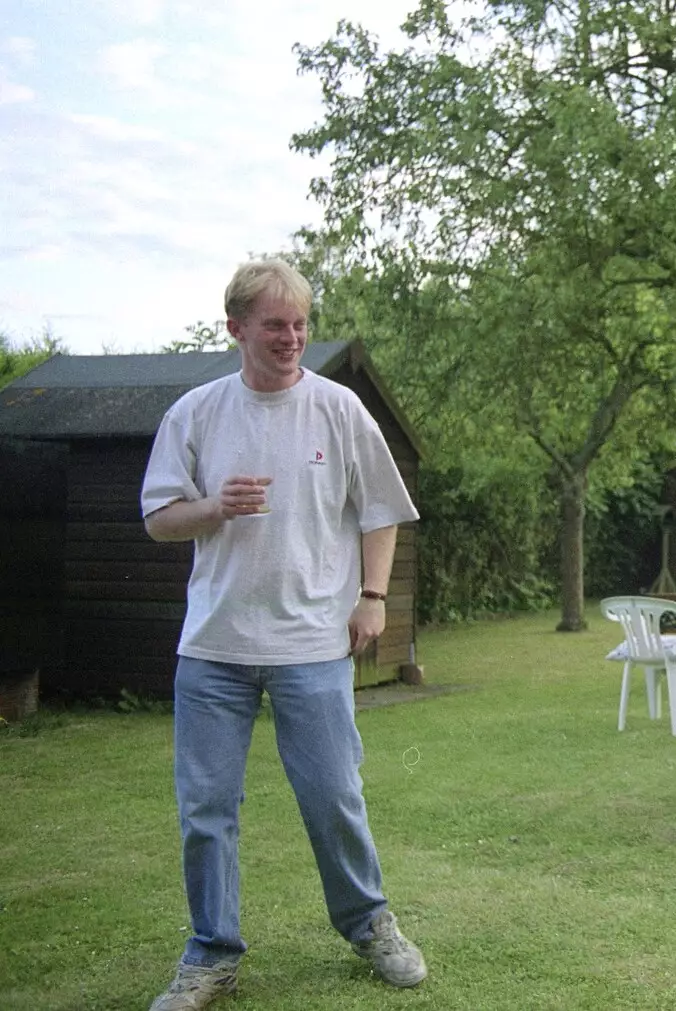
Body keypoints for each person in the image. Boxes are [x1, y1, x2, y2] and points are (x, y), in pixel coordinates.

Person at [140, 260, 425, 1010]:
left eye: (300, 324)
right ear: (235, 328)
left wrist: (372, 597)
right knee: (206, 809)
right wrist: (213, 508)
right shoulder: (196, 413)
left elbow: (381, 512)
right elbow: (158, 517)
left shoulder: (338, 410)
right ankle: (211, 955)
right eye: (275, 325)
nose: (292, 338)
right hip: (213, 649)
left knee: (333, 795)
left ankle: (369, 924)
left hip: (313, 647)